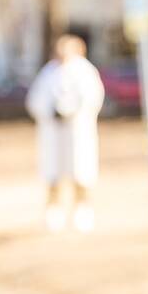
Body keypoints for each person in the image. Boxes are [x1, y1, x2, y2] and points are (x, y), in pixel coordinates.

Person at [25, 34, 106, 232]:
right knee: (52, 173)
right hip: (53, 133)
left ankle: (82, 211)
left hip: (77, 132)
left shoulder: (85, 71)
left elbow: (92, 98)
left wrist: (72, 111)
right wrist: (50, 112)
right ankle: (54, 212)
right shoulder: (49, 72)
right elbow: (35, 100)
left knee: (81, 172)